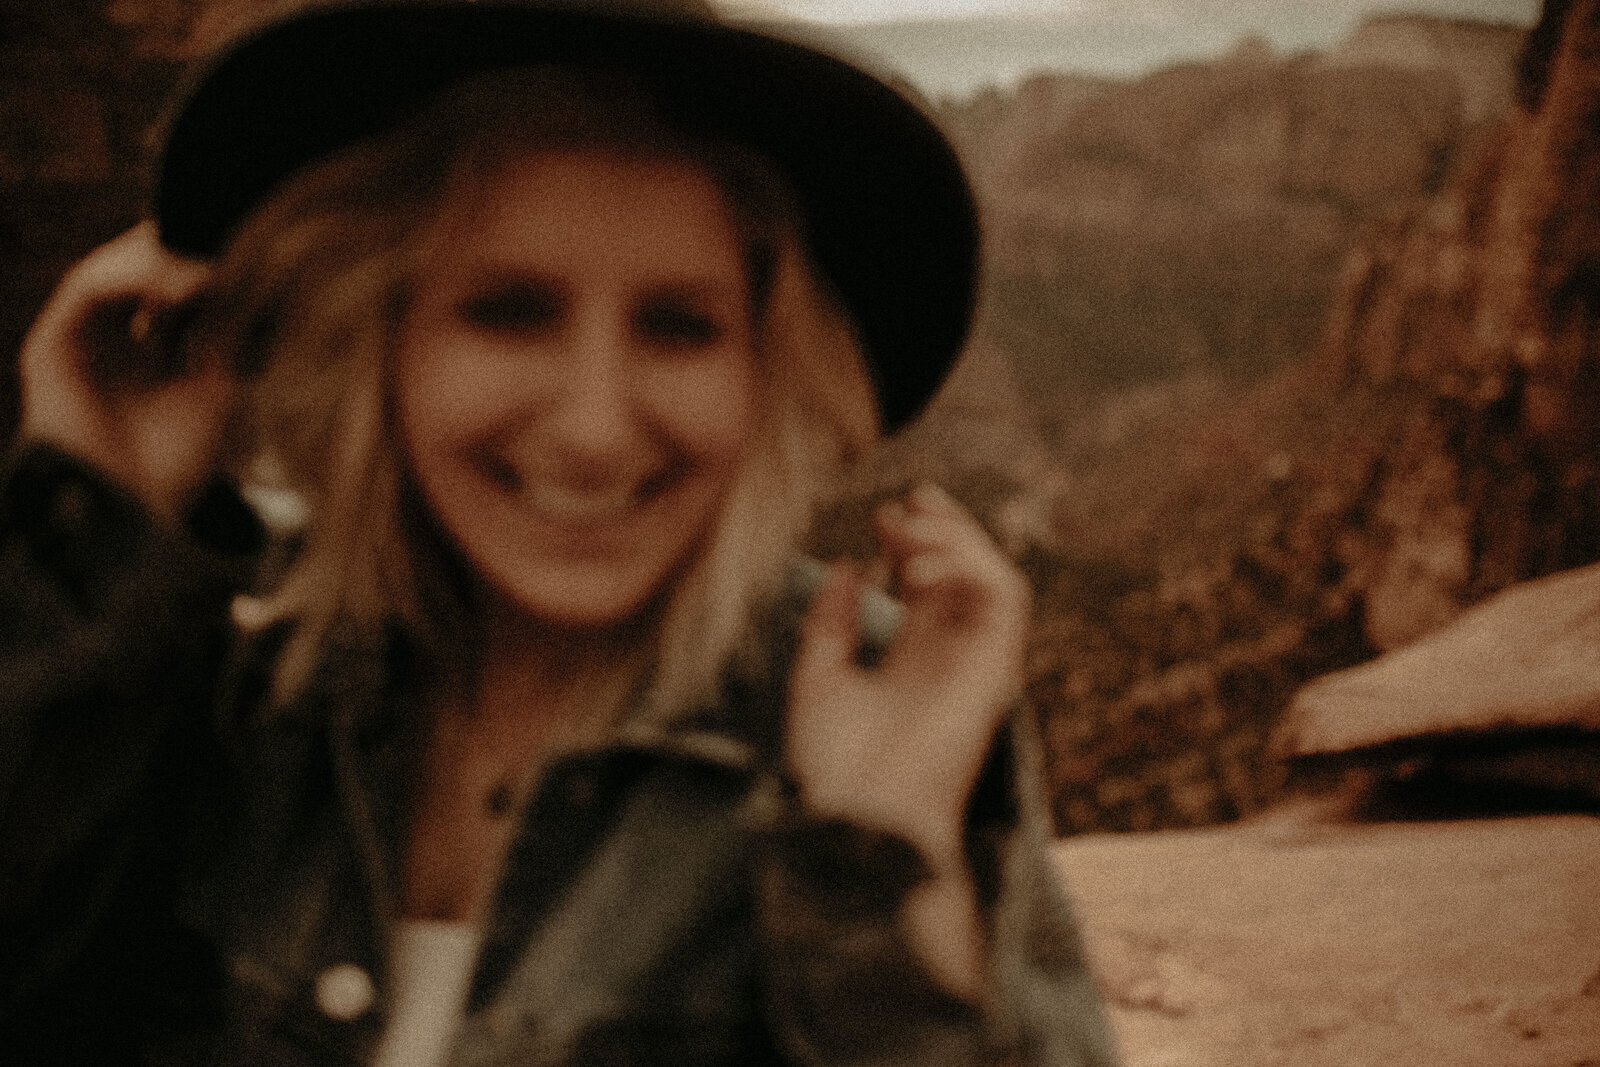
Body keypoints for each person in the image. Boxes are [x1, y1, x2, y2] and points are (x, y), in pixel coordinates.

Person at [0, 1, 1118, 1063]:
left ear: (764, 370)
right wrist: (97, 522)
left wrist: (876, 870)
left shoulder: (880, 709)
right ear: (383, 341)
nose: (592, 427)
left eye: (679, 327)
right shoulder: (231, 683)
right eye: (509, 310)